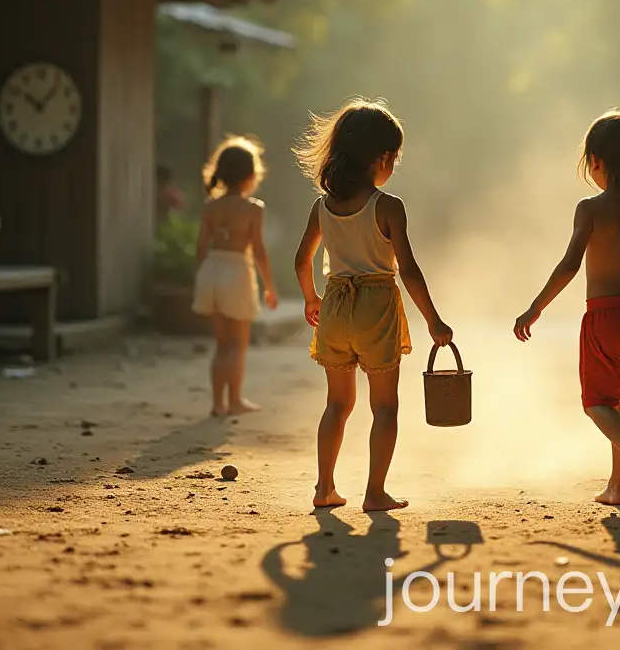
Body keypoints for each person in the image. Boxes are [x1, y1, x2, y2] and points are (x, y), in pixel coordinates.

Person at [514, 110, 620, 513]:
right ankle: (616, 485)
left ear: (595, 161)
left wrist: (535, 308)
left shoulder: (590, 209)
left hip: (605, 317)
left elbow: (569, 265)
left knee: (595, 402)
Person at [293, 99, 454, 513]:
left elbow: (301, 260)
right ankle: (374, 492)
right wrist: (434, 321)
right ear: (383, 157)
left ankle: (324, 488)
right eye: (395, 159)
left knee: (337, 404)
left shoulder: (322, 206)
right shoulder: (387, 206)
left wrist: (312, 297)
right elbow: (410, 271)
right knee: (384, 406)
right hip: (375, 307)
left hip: (333, 306)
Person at [193, 136, 279, 416]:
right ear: (251, 176)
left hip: (213, 270)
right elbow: (259, 250)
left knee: (221, 344)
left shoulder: (209, 207)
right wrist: (269, 286)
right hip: (238, 272)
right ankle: (236, 400)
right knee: (237, 345)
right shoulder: (254, 208)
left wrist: (202, 279)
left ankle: (218, 403)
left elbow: (201, 247)